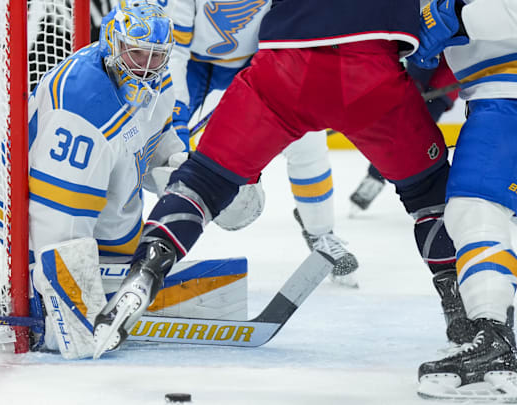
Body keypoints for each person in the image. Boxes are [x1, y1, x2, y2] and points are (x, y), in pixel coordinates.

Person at [93, 0, 467, 359]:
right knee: (429, 193)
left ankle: (146, 270)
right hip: (369, 73)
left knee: (202, 180)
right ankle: (462, 303)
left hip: (283, 65)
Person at [26, 0, 183, 359]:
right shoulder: (82, 113)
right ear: (113, 45)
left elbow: (153, 134)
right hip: (41, 225)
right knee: (76, 336)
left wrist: (176, 163)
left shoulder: (158, 78)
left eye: (155, 56)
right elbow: (59, 224)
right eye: (137, 54)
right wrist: (66, 315)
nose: (145, 68)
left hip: (105, 220)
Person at [163, 0, 358, 286]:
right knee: (157, 143)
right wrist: (175, 112)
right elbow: (173, 50)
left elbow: (289, 32)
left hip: (257, 59)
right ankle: (138, 240)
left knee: (307, 138)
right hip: (191, 64)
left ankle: (321, 233)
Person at [408, 0, 517, 399]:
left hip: (507, 99)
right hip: (496, 94)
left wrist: (458, 16)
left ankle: (493, 338)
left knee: (475, 211)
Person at [349, 58, 460, 213]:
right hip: (421, 68)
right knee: (398, 129)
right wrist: (415, 84)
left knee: (419, 130)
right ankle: (373, 179)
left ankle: (375, 180)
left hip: (447, 80)